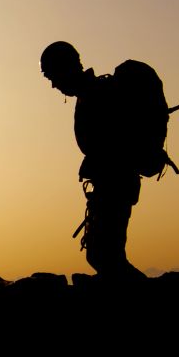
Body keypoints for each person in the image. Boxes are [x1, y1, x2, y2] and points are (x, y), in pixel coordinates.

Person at [40, 41, 150, 281]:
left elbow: (114, 143)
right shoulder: (91, 94)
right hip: (110, 184)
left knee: (106, 257)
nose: (53, 84)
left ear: (68, 67)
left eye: (52, 75)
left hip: (115, 183)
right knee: (102, 256)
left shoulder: (99, 94)